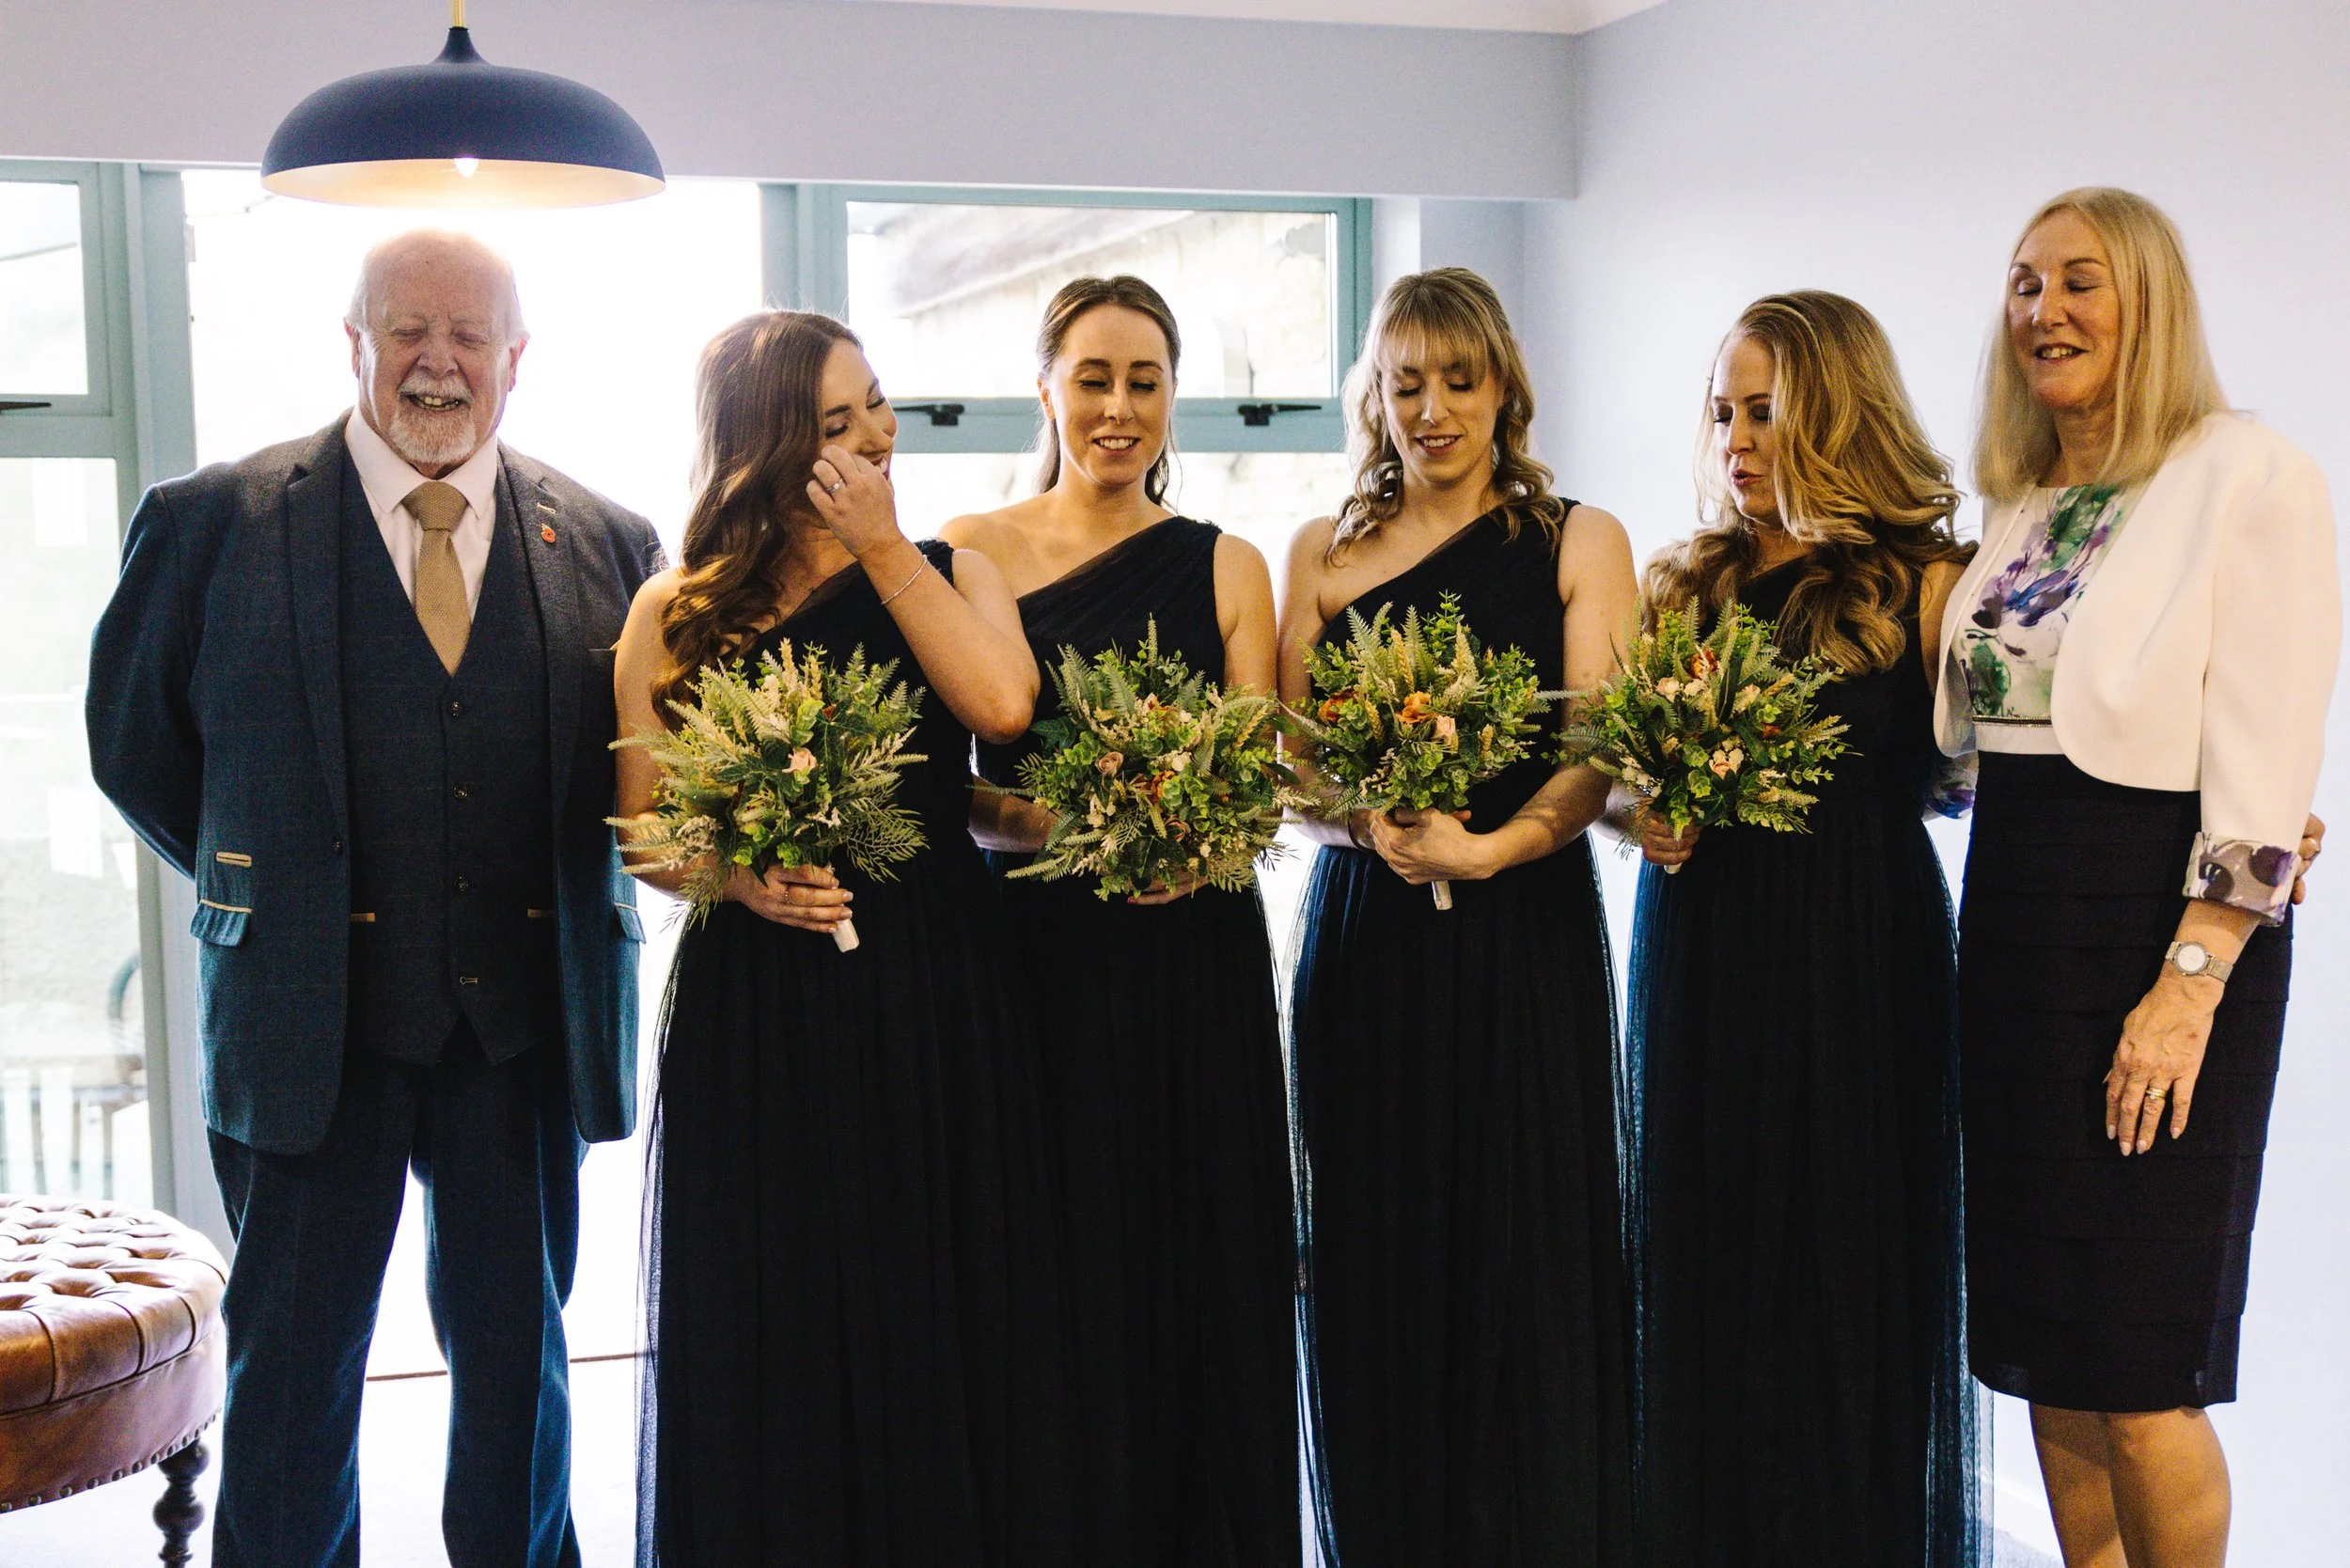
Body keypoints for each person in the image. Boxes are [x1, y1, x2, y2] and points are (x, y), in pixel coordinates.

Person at [85, 230, 661, 1566]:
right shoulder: (212, 521)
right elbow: (135, 747)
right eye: (408, 329)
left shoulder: (611, 541)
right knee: (292, 1375)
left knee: (520, 1373)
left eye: (469, 336)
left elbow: (640, 769)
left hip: (521, 1030)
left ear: (516, 358)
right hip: (306, 1030)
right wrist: (271, 886)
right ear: (355, 342)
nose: (437, 362)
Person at [616, 309, 1073, 1565]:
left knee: (930, 1283)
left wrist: (881, 549)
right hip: (759, 998)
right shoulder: (674, 610)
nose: (877, 434)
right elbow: (643, 833)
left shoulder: (952, 567)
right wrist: (739, 879)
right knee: (777, 1293)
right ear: (768, 444)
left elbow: (1003, 708)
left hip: (934, 979)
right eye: (837, 420)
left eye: (877, 402)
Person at [1936, 187, 2339, 1567]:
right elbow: (1979, 739)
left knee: (2140, 1358)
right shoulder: (2024, 497)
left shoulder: (2248, 474)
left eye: (2080, 281)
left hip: (2157, 928)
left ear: (2148, 302)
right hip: (2015, 920)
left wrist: (2191, 982)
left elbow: (2266, 752)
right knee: (2048, 1344)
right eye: (2024, 282)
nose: (2044, 310)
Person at [1277, 267, 1637, 1566]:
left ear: (1503, 388)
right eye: (1407, 383)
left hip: (1523, 933)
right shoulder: (1320, 554)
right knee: (1380, 1249)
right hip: (1369, 942)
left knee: (1523, 1248)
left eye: (1459, 380)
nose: (1432, 410)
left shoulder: (1580, 540)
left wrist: (1487, 849)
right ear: (1374, 396)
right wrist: (1366, 823)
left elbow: (1597, 750)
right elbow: (1292, 765)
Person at [943, 274, 1299, 1568]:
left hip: (1190, 961)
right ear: (1045, 390)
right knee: (1047, 1263)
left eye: (1144, 382)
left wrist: (1192, 841)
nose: (1118, 408)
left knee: (1193, 1262)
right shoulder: (968, 549)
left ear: (1172, 396)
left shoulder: (1227, 563)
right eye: (1092, 378)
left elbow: (1259, 781)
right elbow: (941, 789)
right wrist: (1059, 827)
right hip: (1029, 962)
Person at [1628, 291, 1982, 1564]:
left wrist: (2244, 821)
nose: (1736, 440)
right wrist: (1639, 812)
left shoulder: (1932, 583)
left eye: (1766, 412)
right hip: (1705, 949)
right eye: (1722, 412)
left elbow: (2022, 762)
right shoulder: (1686, 582)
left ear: (1839, 411)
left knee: (1850, 1261)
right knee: (1711, 1252)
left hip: (1860, 950)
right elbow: (1623, 771)